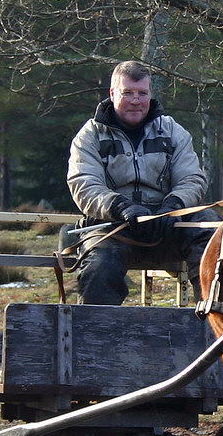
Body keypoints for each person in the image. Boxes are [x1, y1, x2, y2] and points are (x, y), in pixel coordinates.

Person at [67, 60, 215, 304]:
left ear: (150, 94)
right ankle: (95, 328)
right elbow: (84, 184)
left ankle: (216, 320)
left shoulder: (172, 131)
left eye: (142, 93)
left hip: (169, 227)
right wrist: (121, 207)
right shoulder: (90, 136)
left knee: (214, 242)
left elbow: (192, 179)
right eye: (128, 93)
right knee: (99, 269)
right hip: (113, 229)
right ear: (112, 93)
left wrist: (173, 207)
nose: (136, 100)